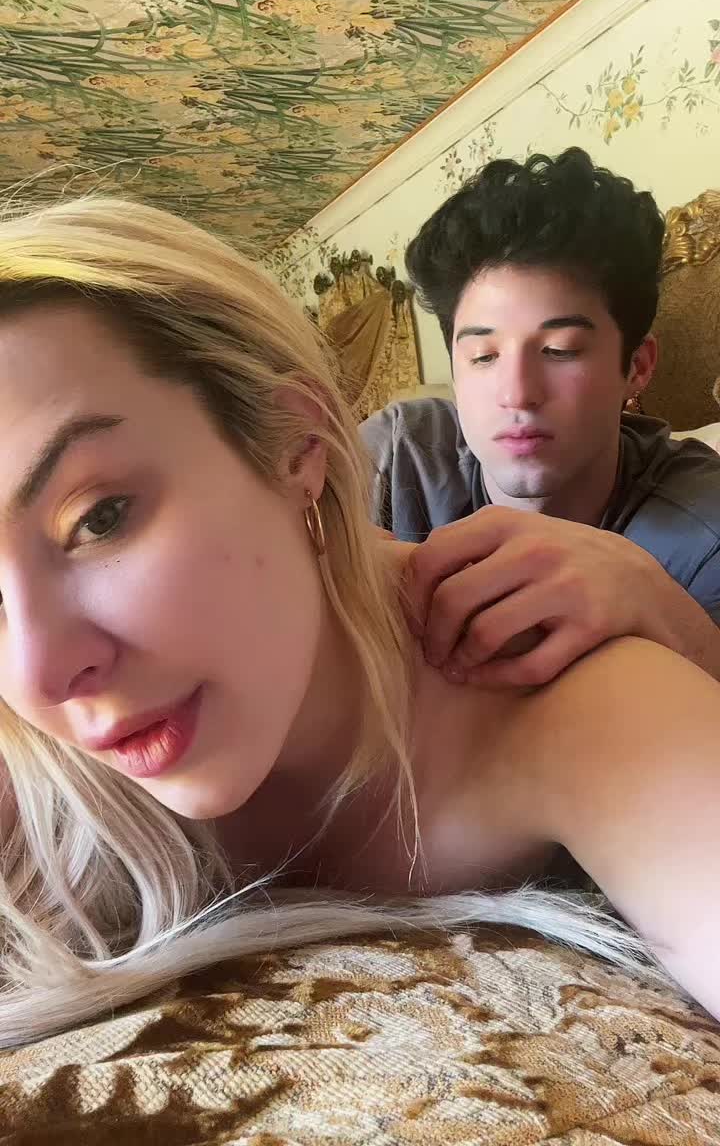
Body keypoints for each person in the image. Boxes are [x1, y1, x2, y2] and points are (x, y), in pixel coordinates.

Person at [0, 195, 719, 1052]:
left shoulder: (589, 679)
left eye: (100, 516)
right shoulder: (412, 447)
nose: (40, 674)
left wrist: (678, 630)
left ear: (298, 447)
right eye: (480, 353)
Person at [361, 149, 720, 688]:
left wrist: (662, 607)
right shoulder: (395, 458)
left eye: (560, 350)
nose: (517, 394)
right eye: (483, 356)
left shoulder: (703, 532)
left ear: (637, 368)